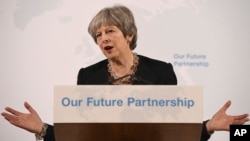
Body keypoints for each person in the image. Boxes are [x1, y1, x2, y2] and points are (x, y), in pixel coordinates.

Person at [1, 4, 249, 141]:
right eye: (98, 35)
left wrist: (209, 127)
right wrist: (42, 129)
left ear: (129, 35)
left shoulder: (161, 71)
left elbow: (175, 133)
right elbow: (80, 136)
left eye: (110, 31)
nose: (103, 38)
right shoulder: (87, 76)